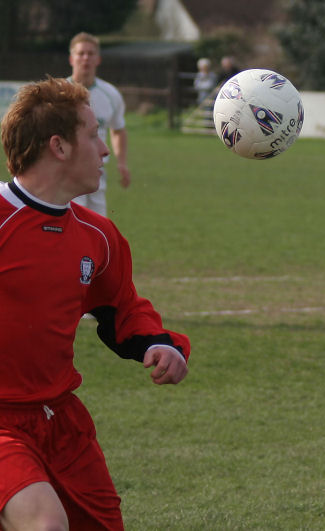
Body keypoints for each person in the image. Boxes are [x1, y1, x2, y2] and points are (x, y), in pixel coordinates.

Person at [0, 77, 191, 530]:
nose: (105, 150)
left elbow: (120, 307)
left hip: (60, 422)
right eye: (92, 134)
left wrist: (158, 344)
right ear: (58, 147)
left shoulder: (98, 236)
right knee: (44, 523)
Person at [68, 32, 130, 217]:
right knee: (73, 222)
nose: (85, 58)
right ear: (72, 59)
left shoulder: (111, 94)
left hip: (97, 171)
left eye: (90, 53)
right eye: (81, 53)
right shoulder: (59, 92)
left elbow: (118, 130)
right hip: (68, 170)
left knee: (98, 224)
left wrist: (122, 163)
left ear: (98, 59)